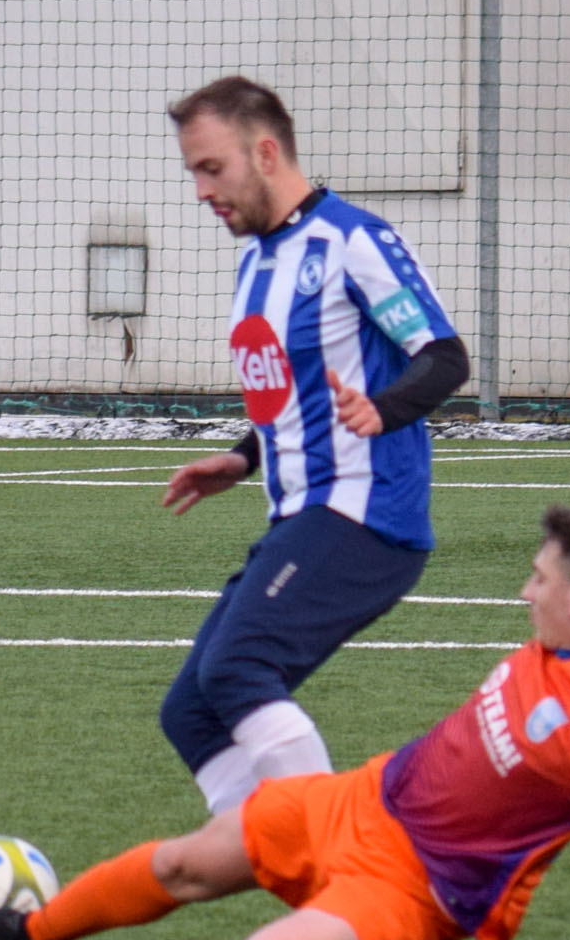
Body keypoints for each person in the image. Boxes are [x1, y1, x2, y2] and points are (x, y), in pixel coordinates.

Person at [0, 505, 570, 940]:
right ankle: (28, 939)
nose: (524, 590)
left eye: (539, 579)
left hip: (417, 891)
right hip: (359, 799)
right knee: (183, 863)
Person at [153, 76, 471, 814]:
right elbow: (298, 390)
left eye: (212, 168)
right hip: (301, 514)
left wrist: (382, 410)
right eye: (193, 172)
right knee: (190, 711)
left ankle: (336, 854)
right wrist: (243, 457)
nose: (201, 191)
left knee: (237, 669)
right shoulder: (257, 260)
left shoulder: (352, 241)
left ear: (266, 153)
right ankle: (271, 863)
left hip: (366, 516)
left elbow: (444, 357)